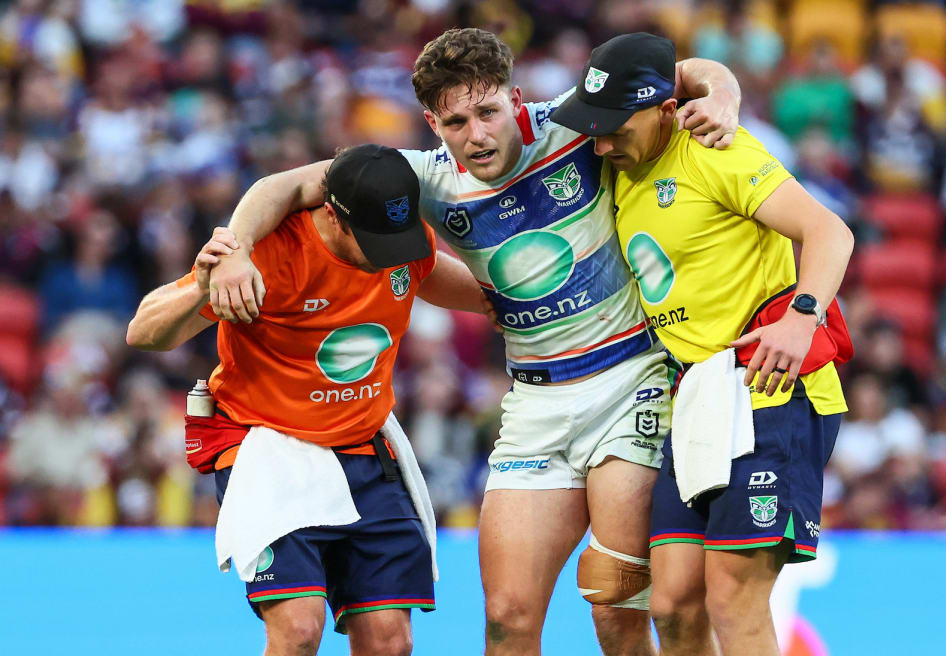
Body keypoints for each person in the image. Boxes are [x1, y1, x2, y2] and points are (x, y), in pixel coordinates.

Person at [203, 28, 742, 656]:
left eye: (489, 112)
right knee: (507, 620)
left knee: (617, 601)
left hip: (631, 379)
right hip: (535, 403)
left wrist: (724, 100)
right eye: (456, 121)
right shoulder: (424, 177)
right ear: (433, 122)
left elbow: (684, 72)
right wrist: (234, 248)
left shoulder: (572, 124)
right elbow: (285, 186)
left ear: (515, 99)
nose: (477, 134)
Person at [552, 33, 854, 656]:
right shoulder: (620, 167)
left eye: (614, 128)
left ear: (664, 109)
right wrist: (718, 80)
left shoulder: (716, 150)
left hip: (767, 388)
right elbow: (684, 69)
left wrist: (803, 316)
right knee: (673, 603)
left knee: (733, 599)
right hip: (695, 399)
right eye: (594, 126)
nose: (601, 142)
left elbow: (829, 231)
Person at [126, 144, 493, 656]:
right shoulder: (274, 254)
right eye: (376, 242)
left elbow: (450, 283)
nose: (392, 253)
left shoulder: (399, 238)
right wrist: (200, 289)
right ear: (333, 215)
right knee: (298, 631)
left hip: (366, 445)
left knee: (390, 641)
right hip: (269, 446)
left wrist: (518, 299)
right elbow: (144, 332)